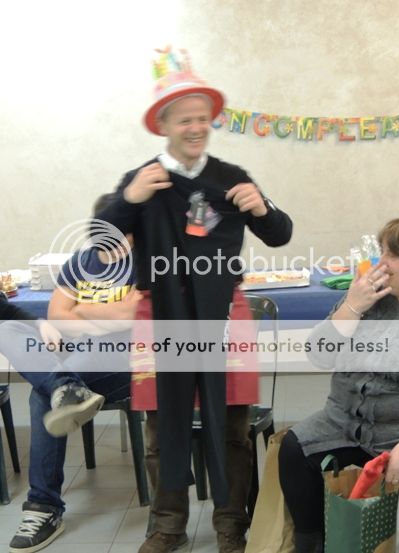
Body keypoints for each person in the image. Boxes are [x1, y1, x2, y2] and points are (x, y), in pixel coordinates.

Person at [98, 48, 293, 553]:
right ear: (163, 124)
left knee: (231, 427)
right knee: (163, 427)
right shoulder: (142, 179)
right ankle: (168, 526)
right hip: (160, 315)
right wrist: (130, 200)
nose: (195, 128)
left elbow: (280, 234)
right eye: (184, 119)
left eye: (202, 118)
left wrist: (263, 208)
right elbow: (101, 240)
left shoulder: (231, 176)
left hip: (223, 313)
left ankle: (231, 527)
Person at [0, 194, 141, 553]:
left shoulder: (148, 262)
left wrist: (80, 314)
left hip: (126, 359)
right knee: (7, 330)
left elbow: (132, 316)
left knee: (42, 392)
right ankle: (65, 386)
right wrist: (94, 318)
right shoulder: (81, 261)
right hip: (79, 352)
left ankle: (43, 508)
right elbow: (56, 316)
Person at [279, 214, 399, 553]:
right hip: (343, 422)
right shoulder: (368, 296)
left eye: (393, 255)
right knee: (296, 449)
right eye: (382, 251)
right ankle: (311, 544)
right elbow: (319, 355)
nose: (381, 263)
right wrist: (353, 306)